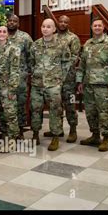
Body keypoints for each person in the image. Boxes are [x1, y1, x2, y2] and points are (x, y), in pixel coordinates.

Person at [77, 19, 108, 152]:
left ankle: (106, 137)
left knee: (104, 112)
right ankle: (95, 135)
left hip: (104, 84)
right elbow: (82, 64)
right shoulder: (87, 44)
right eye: (95, 25)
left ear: (103, 27)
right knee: (90, 112)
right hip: (88, 84)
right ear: (91, 27)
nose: (97, 27)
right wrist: (80, 81)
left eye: (99, 25)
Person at [30, 19, 72, 151]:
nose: (45, 29)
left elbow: (66, 62)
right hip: (37, 84)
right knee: (35, 109)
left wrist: (60, 78)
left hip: (53, 85)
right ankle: (35, 134)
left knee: (55, 111)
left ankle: (55, 137)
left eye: (48, 27)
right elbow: (31, 62)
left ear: (54, 29)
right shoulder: (35, 45)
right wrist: (35, 74)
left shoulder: (62, 44)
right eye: (43, 26)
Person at [47, 15, 81, 143]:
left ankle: (73, 130)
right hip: (53, 79)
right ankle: (57, 129)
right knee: (55, 104)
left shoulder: (73, 38)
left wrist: (60, 71)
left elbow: (74, 58)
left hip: (68, 79)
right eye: (60, 21)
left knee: (69, 104)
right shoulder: (52, 37)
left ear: (68, 24)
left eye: (65, 22)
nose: (62, 24)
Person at [0, 26, 21, 149]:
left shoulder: (14, 49)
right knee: (1, 113)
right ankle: (5, 135)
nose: (2, 33)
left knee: (10, 114)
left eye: (4, 31)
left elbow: (15, 70)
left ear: (8, 34)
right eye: (0, 31)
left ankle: (13, 139)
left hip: (8, 87)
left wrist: (12, 88)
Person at [7, 14, 33, 133]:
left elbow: (31, 56)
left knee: (20, 103)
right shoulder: (2, 35)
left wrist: (29, 72)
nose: (12, 23)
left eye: (14, 21)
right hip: (5, 77)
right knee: (7, 104)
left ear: (18, 24)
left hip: (20, 77)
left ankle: (20, 130)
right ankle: (8, 130)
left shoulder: (25, 37)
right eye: (10, 20)